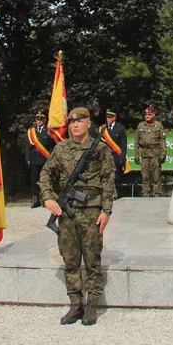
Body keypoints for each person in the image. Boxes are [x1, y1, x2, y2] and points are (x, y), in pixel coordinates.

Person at [40, 107, 115, 326]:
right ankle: (75, 305)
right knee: (70, 260)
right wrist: (48, 198)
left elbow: (108, 180)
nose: (75, 125)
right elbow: (45, 174)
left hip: (92, 212)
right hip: (67, 213)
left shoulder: (99, 149)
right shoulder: (61, 148)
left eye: (80, 122)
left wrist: (106, 210)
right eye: (72, 122)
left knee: (92, 260)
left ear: (88, 124)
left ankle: (91, 306)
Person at [135, 107, 166, 197]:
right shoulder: (141, 125)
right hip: (144, 154)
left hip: (155, 154)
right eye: (145, 114)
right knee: (145, 176)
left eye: (149, 114)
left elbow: (163, 141)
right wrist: (136, 155)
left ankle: (157, 194)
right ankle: (145, 193)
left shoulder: (158, 125)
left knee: (156, 176)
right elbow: (136, 141)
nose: (147, 116)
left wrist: (163, 154)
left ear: (153, 115)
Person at [26, 112, 54, 208]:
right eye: (37, 119)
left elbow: (51, 147)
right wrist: (28, 159)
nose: (39, 121)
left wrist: (51, 159)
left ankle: (46, 200)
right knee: (34, 180)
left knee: (45, 180)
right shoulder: (31, 132)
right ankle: (36, 199)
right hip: (34, 159)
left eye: (41, 119)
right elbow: (28, 148)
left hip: (45, 159)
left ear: (44, 120)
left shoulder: (48, 131)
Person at [104, 111, 127, 199]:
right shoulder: (103, 129)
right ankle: (108, 194)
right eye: (107, 117)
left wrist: (122, 157)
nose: (108, 119)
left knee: (117, 176)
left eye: (110, 117)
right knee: (107, 175)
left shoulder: (120, 128)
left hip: (116, 156)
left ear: (114, 118)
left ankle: (118, 194)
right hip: (106, 156)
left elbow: (123, 144)